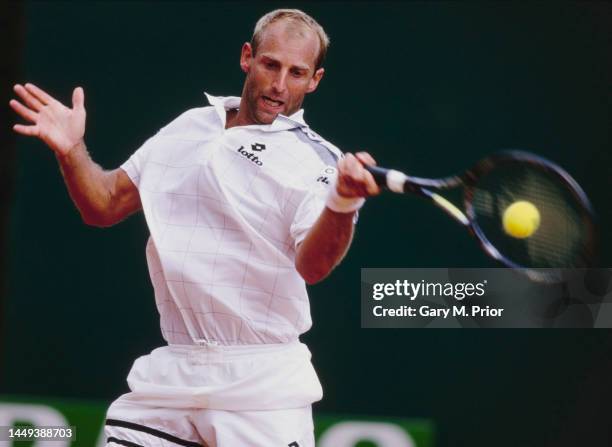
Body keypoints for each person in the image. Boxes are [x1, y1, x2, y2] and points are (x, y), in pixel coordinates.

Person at [10, 8, 380, 447]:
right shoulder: (189, 125)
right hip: (173, 377)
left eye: (297, 73)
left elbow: (313, 266)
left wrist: (342, 202)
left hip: (261, 387)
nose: (281, 85)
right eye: (270, 65)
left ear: (314, 80)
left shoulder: (319, 162)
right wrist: (71, 149)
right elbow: (104, 204)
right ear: (248, 58)